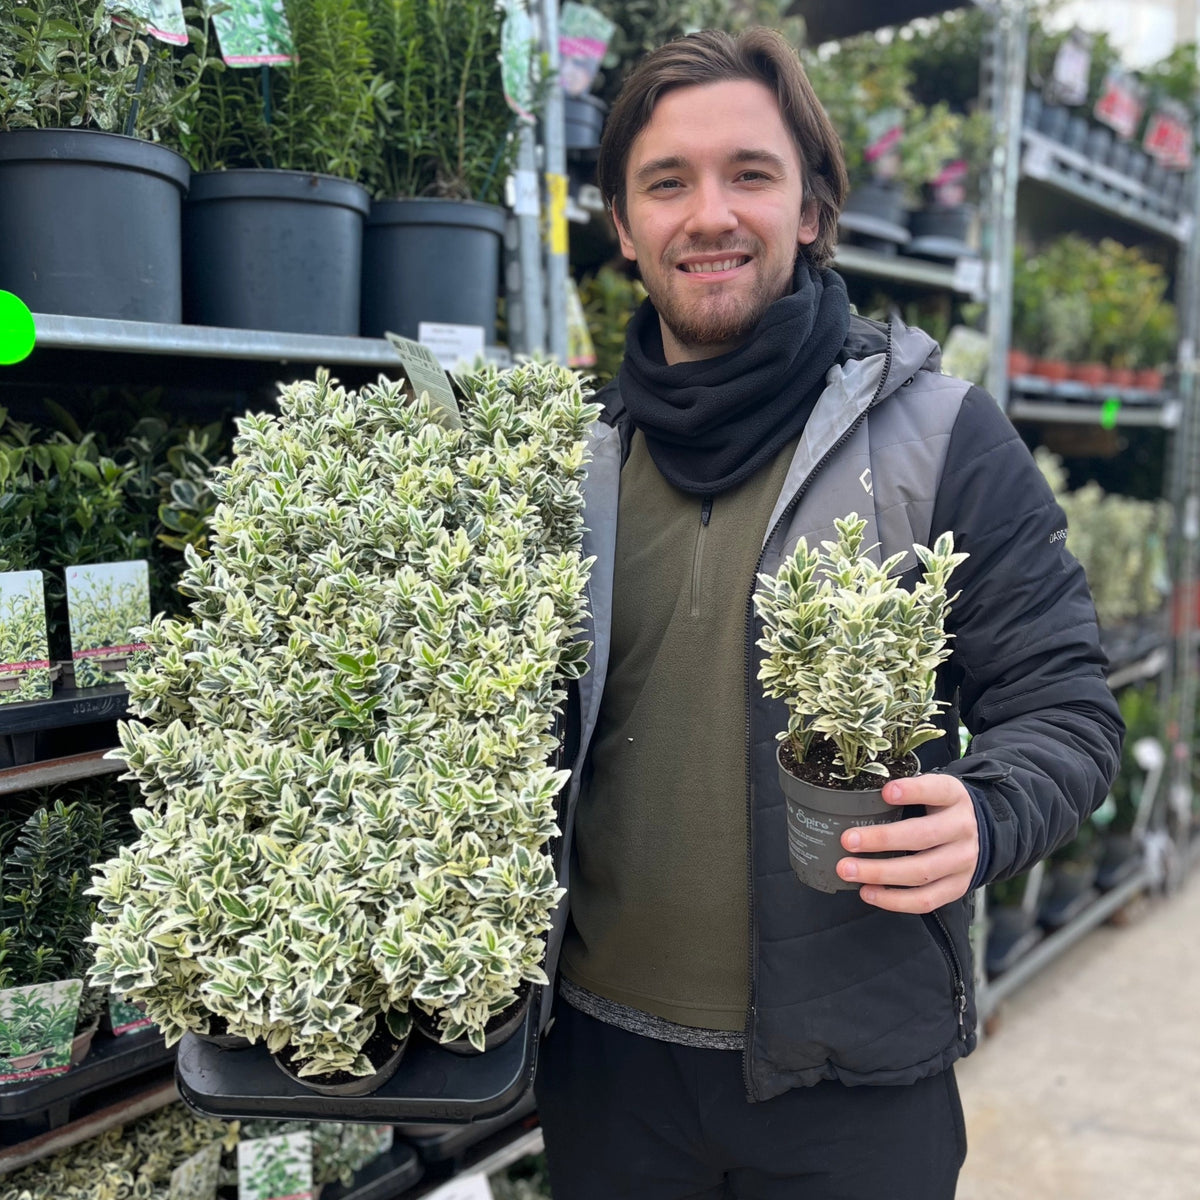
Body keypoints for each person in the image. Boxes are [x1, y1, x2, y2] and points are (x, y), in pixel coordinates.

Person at [533, 26, 1123, 1200]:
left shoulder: (944, 435)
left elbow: (1069, 710)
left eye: (750, 173)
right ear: (622, 225)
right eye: (668, 181)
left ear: (811, 208)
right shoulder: (570, 461)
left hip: (852, 1083)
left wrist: (986, 810)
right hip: (604, 1076)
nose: (710, 214)